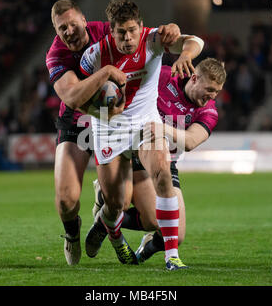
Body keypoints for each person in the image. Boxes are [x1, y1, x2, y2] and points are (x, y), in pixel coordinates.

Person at [45, 0, 181, 266]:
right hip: (78, 122)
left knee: (150, 216)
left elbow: (142, 37)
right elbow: (72, 97)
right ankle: (72, 235)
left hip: (119, 121)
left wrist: (173, 32)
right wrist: (106, 72)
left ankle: (105, 215)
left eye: (73, 24)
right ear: (56, 31)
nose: (69, 31)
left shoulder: (109, 31)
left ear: (84, 20)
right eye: (62, 28)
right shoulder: (56, 55)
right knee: (66, 200)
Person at [80, 0, 204, 270]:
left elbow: (195, 40)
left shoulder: (154, 40)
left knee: (162, 173)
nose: (127, 37)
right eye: (121, 32)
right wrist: (99, 107)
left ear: (141, 27)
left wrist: (185, 54)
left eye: (132, 30)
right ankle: (111, 230)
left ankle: (172, 257)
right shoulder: (94, 56)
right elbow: (77, 99)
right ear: (111, 31)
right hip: (109, 130)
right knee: (117, 203)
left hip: (145, 126)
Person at [91, 57, 226, 264]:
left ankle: (133, 240)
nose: (212, 96)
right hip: (136, 150)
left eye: (216, 91)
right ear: (194, 78)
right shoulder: (163, 76)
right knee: (124, 203)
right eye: (209, 89)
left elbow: (190, 141)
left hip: (166, 161)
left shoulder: (209, 111)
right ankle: (108, 208)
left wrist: (162, 128)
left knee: (173, 233)